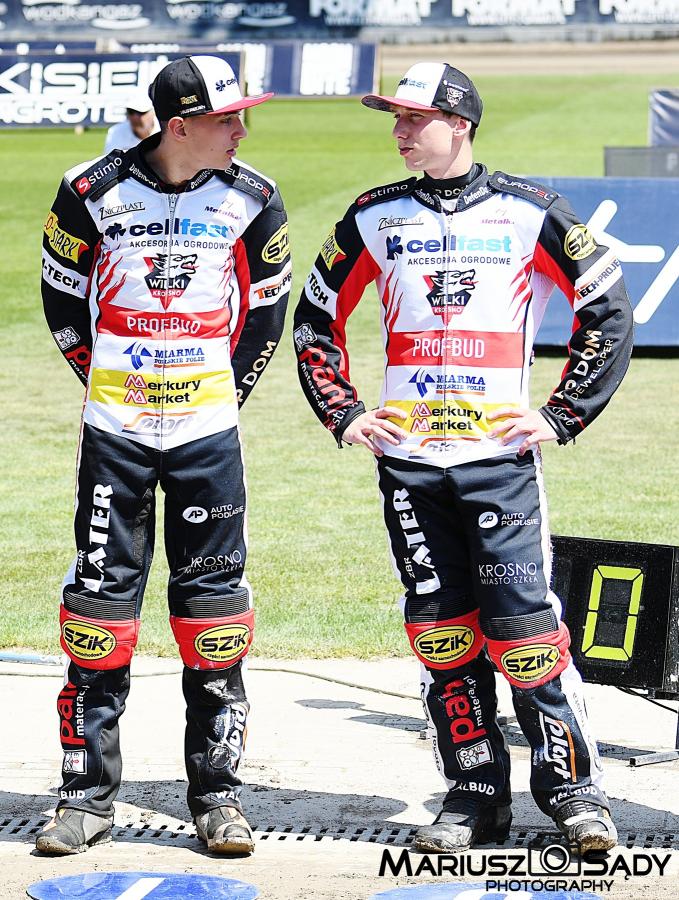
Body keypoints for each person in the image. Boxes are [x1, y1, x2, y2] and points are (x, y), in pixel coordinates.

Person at [293, 62, 633, 854]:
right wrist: (343, 411)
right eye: (394, 119)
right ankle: (473, 792)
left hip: (497, 461)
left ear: (459, 122)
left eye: (413, 118)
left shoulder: (530, 210)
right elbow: (314, 317)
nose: (399, 131)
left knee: (525, 632)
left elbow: (607, 309)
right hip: (409, 463)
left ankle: (573, 793)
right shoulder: (372, 214)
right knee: (442, 634)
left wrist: (560, 412)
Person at [37, 55, 290, 857]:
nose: (242, 129)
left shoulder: (254, 196)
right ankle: (85, 798)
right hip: (115, 431)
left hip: (206, 435)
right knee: (98, 613)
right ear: (180, 126)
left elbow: (266, 314)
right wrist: (111, 387)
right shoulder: (89, 189)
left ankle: (217, 796)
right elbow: (60, 300)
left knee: (214, 618)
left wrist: (218, 397)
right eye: (227, 118)